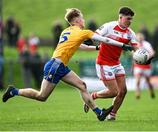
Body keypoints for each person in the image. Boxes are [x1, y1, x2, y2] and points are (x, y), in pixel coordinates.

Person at [2, 8, 133, 121]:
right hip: (55, 65)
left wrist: (97, 49)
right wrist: (122, 45)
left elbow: (80, 46)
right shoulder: (83, 32)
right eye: (82, 18)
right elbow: (104, 39)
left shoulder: (66, 31)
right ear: (76, 20)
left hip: (60, 65)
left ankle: (99, 113)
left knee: (82, 85)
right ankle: (14, 91)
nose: (84, 20)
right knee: (42, 96)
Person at [84, 7, 138, 121]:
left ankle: (112, 115)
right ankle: (93, 96)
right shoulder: (109, 26)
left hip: (116, 63)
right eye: (128, 18)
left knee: (123, 91)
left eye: (131, 19)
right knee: (113, 92)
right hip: (104, 63)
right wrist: (92, 40)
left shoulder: (130, 33)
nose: (130, 21)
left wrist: (143, 57)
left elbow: (136, 49)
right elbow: (96, 35)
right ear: (120, 17)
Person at [133, 32, 155, 99]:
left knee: (148, 81)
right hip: (138, 65)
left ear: (143, 37)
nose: (139, 38)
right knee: (137, 80)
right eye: (138, 37)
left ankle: (151, 91)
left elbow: (153, 52)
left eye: (140, 36)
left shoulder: (147, 44)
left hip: (146, 65)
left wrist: (147, 58)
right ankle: (137, 94)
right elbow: (132, 53)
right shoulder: (135, 44)